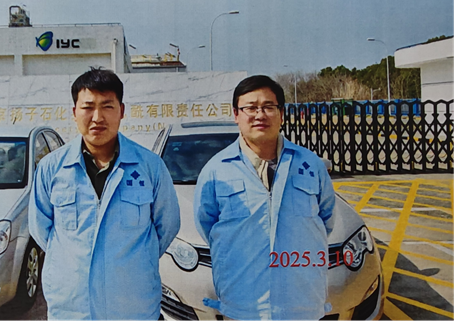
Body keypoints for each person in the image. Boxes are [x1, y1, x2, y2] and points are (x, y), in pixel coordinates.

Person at [29, 67, 180, 321]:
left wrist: (131, 265)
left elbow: (167, 225)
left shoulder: (150, 167)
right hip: (73, 308)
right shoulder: (51, 168)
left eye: (107, 106)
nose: (97, 117)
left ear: (121, 111)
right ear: (74, 112)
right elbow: (41, 229)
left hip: (133, 307)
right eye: (88, 107)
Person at [193, 75, 335, 321]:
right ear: (236, 114)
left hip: (302, 303)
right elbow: (207, 225)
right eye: (250, 108)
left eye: (269, 107)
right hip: (243, 304)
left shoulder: (310, 164)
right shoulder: (216, 170)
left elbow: (326, 219)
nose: (260, 115)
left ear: (281, 114)